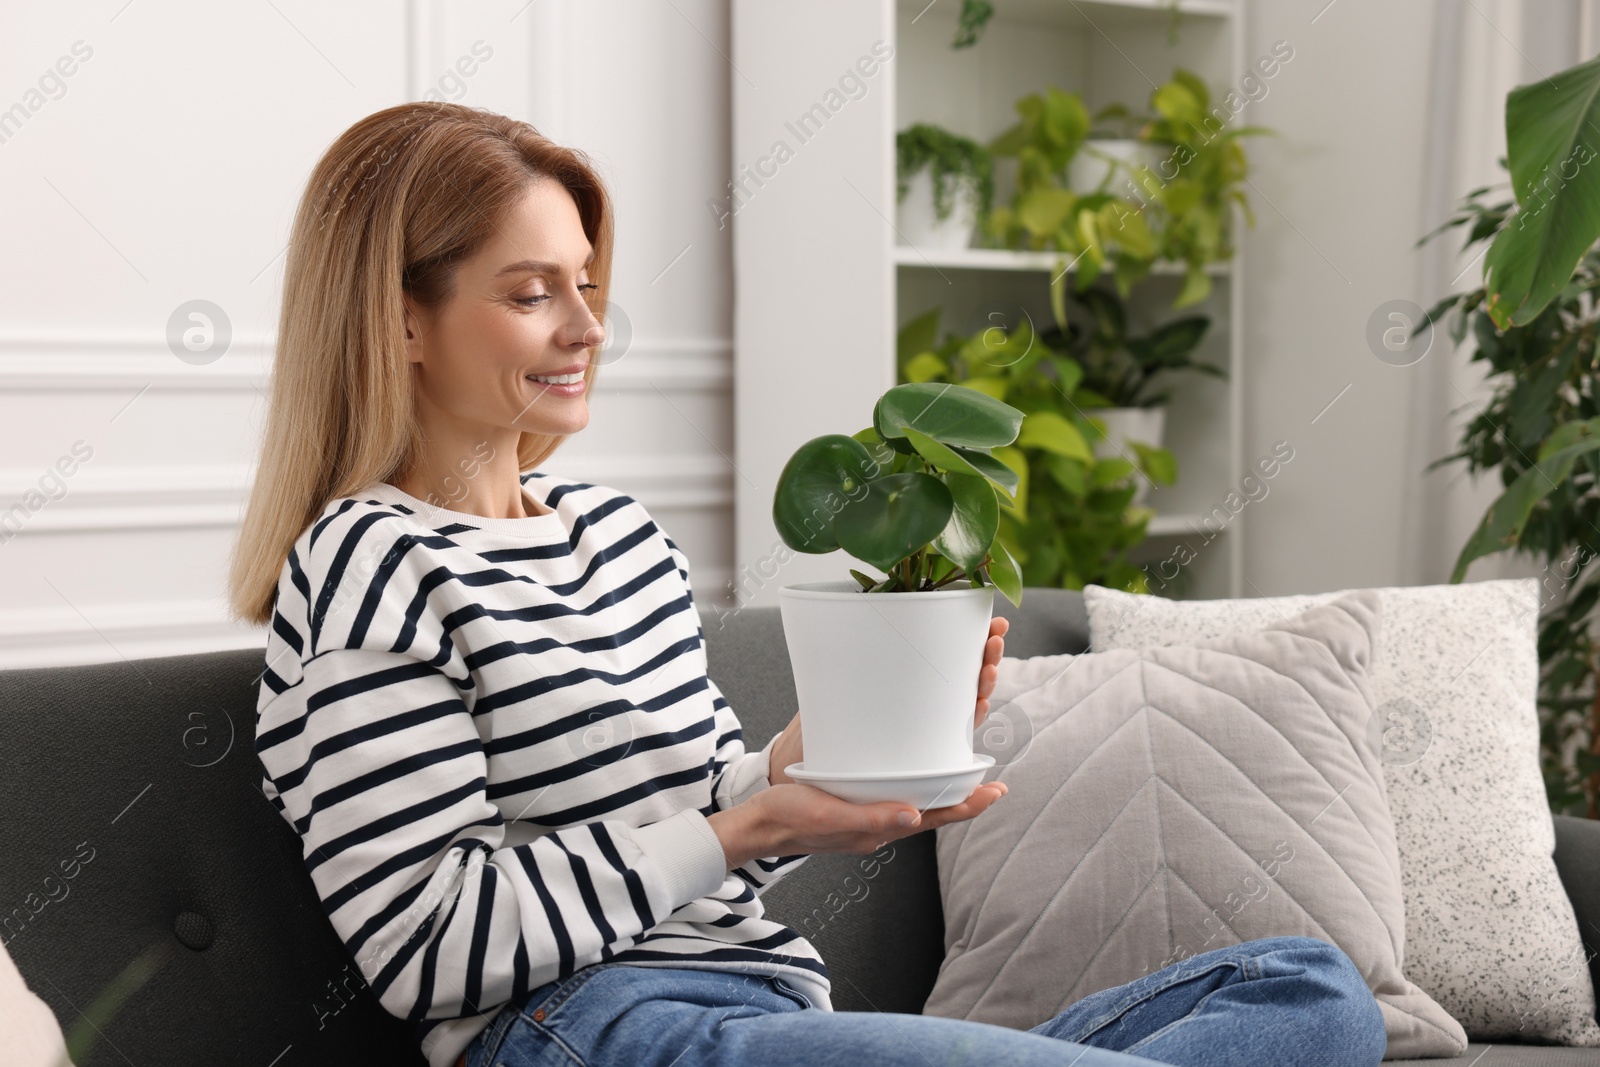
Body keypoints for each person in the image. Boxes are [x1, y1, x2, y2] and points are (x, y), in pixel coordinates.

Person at [226, 101, 1388, 1067]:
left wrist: (819, 761)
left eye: (587, 283)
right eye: (531, 292)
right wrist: (744, 826)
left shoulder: (623, 535)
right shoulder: (369, 561)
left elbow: (699, 802)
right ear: (401, 320)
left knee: (1312, 991)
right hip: (583, 1027)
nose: (589, 325)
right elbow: (427, 941)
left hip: (770, 1008)